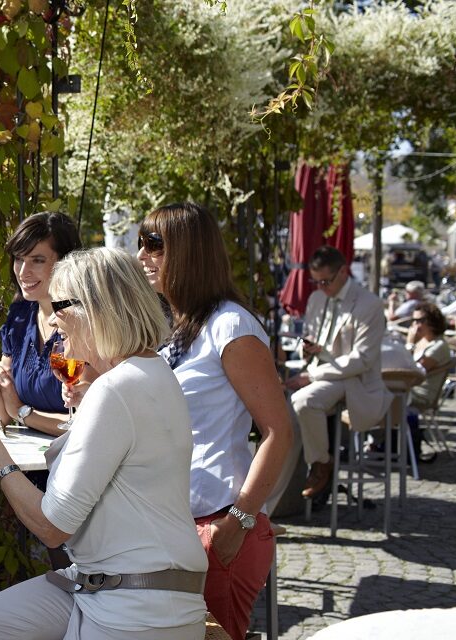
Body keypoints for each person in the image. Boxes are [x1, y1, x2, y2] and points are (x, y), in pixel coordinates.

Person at [0, 248, 207, 640]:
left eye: (60, 305)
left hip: (139, 607)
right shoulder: (149, 371)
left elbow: (52, 527)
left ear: (97, 308)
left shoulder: (118, 388)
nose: (52, 319)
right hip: (101, 585)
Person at [138, 203, 293, 640]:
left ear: (190, 252)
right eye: (141, 244)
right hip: (174, 524)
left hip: (218, 522)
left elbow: (278, 432)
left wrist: (237, 524)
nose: (142, 256)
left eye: (155, 245)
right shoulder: (175, 326)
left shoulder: (231, 326)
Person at [0, 212, 81, 435]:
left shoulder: (84, 322)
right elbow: (0, 416)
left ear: (64, 262)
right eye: (19, 259)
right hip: (31, 460)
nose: (22, 272)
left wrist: (23, 412)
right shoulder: (21, 316)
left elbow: (84, 424)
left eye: (37, 260)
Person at [286, 245, 389, 498]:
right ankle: (282, 483)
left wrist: (311, 376)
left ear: (344, 271)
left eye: (326, 281)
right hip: (320, 370)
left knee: (304, 401)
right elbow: (311, 337)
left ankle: (321, 463)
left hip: (352, 378)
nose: (320, 286)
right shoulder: (316, 298)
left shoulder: (369, 304)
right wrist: (308, 350)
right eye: (316, 281)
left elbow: (362, 359)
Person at [403, 302, 451, 462]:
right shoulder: (422, 341)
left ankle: (389, 445)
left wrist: (409, 343)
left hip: (421, 394)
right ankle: (381, 443)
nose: (416, 325)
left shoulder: (438, 346)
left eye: (420, 320)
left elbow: (411, 372)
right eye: (414, 320)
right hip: (408, 388)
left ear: (432, 321)